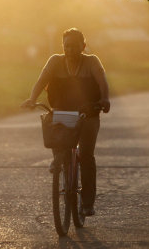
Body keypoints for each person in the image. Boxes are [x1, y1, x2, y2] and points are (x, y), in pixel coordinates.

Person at [21, 28, 110, 216]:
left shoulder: (92, 61)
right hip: (62, 112)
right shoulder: (55, 61)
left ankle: (87, 203)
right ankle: (59, 159)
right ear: (62, 47)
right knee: (52, 127)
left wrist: (104, 99)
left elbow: (102, 82)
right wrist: (32, 98)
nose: (70, 50)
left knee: (86, 156)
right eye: (66, 46)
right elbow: (41, 80)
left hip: (88, 115)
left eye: (74, 46)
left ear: (83, 47)